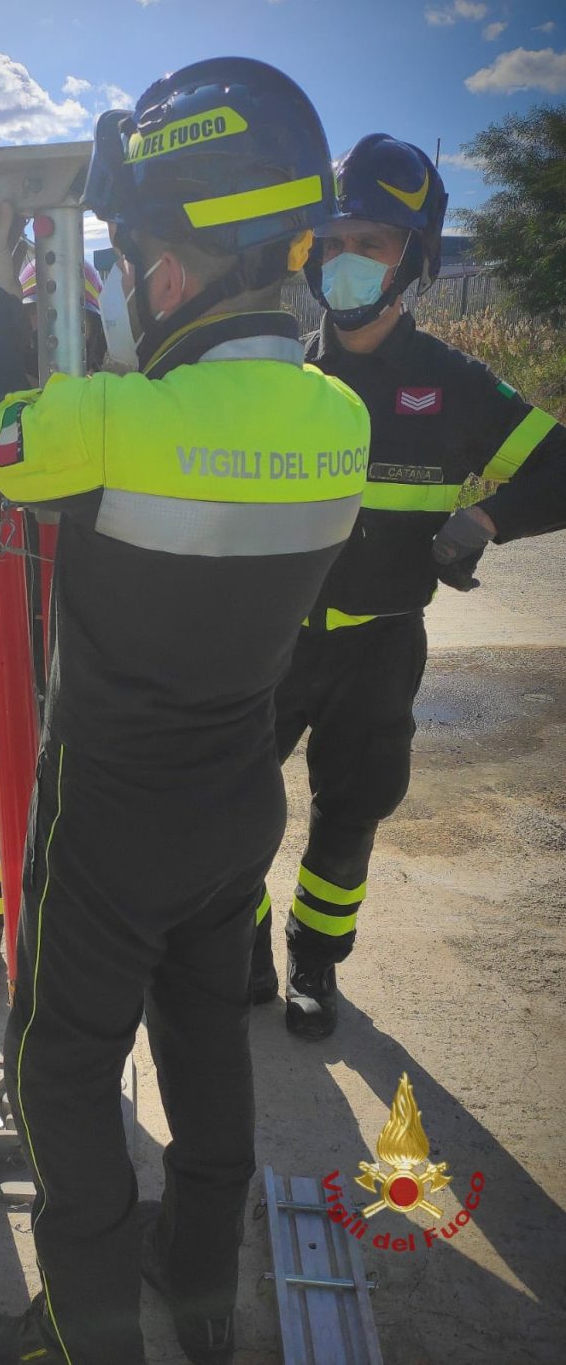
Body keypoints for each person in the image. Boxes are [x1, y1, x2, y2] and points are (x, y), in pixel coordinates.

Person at [0, 57, 371, 1365]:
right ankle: (195, 1287)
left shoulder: (112, 424)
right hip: (236, 800)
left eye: (132, 261)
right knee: (202, 1036)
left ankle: (88, 1338)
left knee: (63, 1067)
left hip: (112, 814)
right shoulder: (340, 419)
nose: (130, 285)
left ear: (170, 274)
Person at [249, 133, 566, 1039]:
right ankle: (238, 947)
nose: (346, 262)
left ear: (414, 264)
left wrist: (484, 520)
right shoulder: (273, 374)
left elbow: (560, 465)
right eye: (333, 243)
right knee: (230, 809)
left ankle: (315, 964)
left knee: (350, 814)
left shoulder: (451, 385)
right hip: (265, 642)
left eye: (373, 245)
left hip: (379, 646)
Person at [0, 259, 103, 1002]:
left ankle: (66, 955)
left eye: (65, 326)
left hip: (90, 652)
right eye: (34, 323)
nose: (50, 342)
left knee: (84, 807)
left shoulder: (115, 408)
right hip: (21, 647)